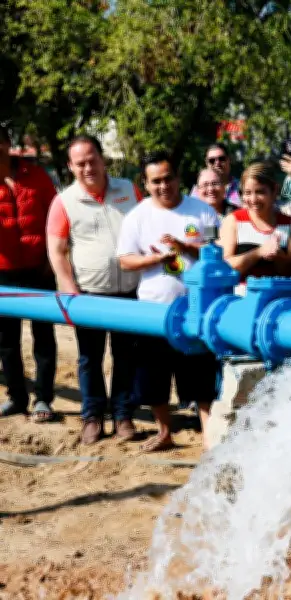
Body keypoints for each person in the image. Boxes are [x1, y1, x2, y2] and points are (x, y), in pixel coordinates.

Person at [117, 151, 221, 452]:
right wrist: (156, 258)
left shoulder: (204, 212)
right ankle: (164, 432)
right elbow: (125, 260)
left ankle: (209, 437)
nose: (164, 186)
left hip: (196, 309)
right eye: (156, 181)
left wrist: (185, 248)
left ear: (178, 178)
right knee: (153, 376)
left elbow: (217, 254)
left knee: (200, 377)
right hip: (154, 310)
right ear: (146, 184)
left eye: (168, 178)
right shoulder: (136, 216)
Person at [46, 135, 142, 444]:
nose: (88, 167)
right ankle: (92, 417)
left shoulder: (128, 190)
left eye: (92, 160)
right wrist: (69, 289)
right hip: (89, 294)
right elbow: (57, 251)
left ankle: (124, 415)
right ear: (71, 167)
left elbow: (147, 229)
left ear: (103, 159)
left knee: (126, 357)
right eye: (81, 163)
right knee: (90, 359)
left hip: (128, 290)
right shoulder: (64, 202)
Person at [0, 127, 58, 423]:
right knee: (7, 341)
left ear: (7, 144)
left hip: (39, 269)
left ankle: (43, 398)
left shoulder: (36, 175)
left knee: (43, 336)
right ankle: (16, 397)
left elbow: (55, 217)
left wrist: (53, 259)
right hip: (3, 274)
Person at [218, 160, 291, 290]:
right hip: (242, 302)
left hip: (280, 302)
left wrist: (279, 256)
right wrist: (258, 253)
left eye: (260, 192)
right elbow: (224, 267)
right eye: (247, 193)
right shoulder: (233, 221)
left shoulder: (290, 223)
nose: (253, 200)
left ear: (274, 190)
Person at [190, 143, 240, 208]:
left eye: (221, 159)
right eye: (212, 160)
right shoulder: (198, 191)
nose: (217, 163)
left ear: (229, 159)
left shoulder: (242, 187)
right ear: (206, 163)